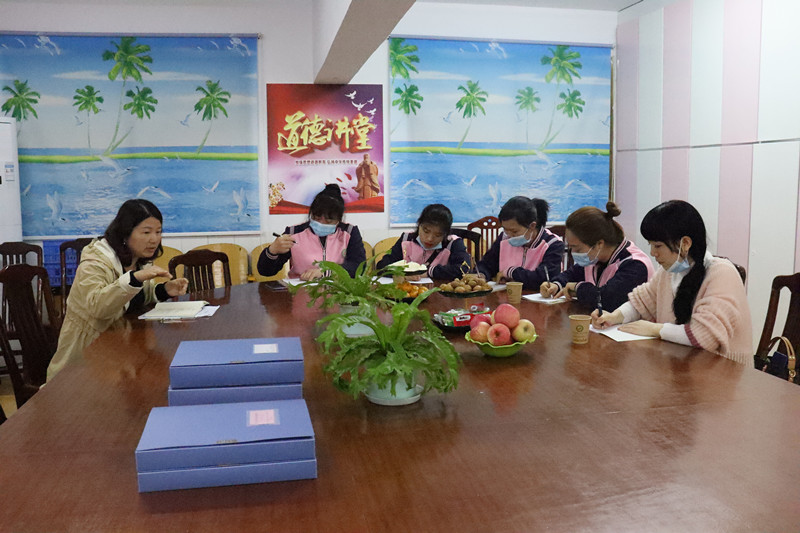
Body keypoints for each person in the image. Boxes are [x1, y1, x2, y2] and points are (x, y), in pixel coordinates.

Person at [591, 200, 753, 364]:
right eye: (650, 245)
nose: (652, 253)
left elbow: (705, 335)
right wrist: (615, 316)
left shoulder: (721, 273)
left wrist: (655, 329)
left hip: (724, 369)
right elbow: (642, 302)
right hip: (681, 363)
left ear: (685, 243)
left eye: (658, 246)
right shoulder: (669, 271)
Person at [47, 199, 189, 381]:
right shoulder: (95, 261)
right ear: (125, 233)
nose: (154, 239)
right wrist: (135, 278)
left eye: (158, 232)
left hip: (121, 353)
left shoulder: (136, 258)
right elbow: (98, 307)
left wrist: (164, 290)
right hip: (83, 364)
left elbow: (134, 296)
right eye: (146, 232)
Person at [540, 202, 653, 312]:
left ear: (599, 244)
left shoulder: (635, 264)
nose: (573, 253)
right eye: (570, 248)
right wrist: (556, 285)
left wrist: (578, 288)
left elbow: (607, 299)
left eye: (577, 249)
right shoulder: (595, 258)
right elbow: (571, 274)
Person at [258, 183, 366, 280]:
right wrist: (272, 251)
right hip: (301, 289)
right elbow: (266, 272)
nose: (321, 223)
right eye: (317, 218)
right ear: (311, 214)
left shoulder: (349, 233)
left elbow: (359, 267)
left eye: (329, 221)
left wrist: (327, 272)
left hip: (339, 291)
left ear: (339, 219)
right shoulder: (294, 233)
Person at [476, 196, 564, 289]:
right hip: (505, 294)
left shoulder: (553, 244)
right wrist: (481, 274)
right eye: (505, 229)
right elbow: (488, 263)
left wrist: (511, 272)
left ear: (532, 226)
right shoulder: (503, 238)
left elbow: (543, 278)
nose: (509, 235)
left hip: (537, 296)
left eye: (514, 231)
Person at [376, 204, 471, 280]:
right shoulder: (406, 239)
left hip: (440, 294)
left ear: (446, 234)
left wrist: (430, 272)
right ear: (419, 225)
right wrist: (403, 275)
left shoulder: (453, 243)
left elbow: (464, 269)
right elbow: (381, 266)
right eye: (426, 231)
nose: (429, 239)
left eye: (438, 235)